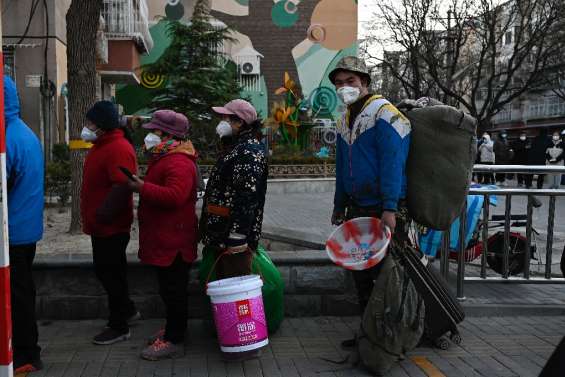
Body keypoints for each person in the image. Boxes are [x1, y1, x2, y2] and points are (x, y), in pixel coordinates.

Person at [328, 56, 412, 347]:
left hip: (383, 208)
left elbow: (393, 162)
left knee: (387, 278)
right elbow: (341, 166)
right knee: (361, 275)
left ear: (364, 82)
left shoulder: (385, 113)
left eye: (350, 81)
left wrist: (390, 208)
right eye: (339, 83)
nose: (344, 87)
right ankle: (368, 333)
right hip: (356, 208)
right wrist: (339, 205)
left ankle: (389, 337)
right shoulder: (344, 119)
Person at [126, 110, 198, 360]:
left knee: (174, 291)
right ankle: (172, 330)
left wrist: (141, 187)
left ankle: (175, 338)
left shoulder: (179, 161)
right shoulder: (166, 156)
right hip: (165, 239)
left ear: (169, 135)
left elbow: (175, 196)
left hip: (174, 242)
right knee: (169, 290)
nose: (149, 136)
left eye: (154, 131)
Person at [199, 99, 268, 360]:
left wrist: (238, 237)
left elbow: (246, 198)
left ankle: (246, 346)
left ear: (240, 122)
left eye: (227, 118)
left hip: (233, 238)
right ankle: (232, 337)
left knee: (238, 293)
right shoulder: (235, 147)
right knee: (228, 290)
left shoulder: (248, 151)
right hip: (221, 234)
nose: (223, 123)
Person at [80, 101, 140, 345]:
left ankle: (119, 326)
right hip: (102, 224)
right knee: (109, 272)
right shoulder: (102, 144)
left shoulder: (117, 148)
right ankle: (127, 310)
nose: (86, 127)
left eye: (90, 123)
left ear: (103, 125)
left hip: (110, 226)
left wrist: (102, 215)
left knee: (110, 274)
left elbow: (122, 185)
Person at [4, 76, 44, 373]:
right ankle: (27, 353)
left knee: (16, 298)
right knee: (22, 294)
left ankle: (25, 356)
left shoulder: (8, 140)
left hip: (12, 234)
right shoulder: (23, 132)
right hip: (25, 230)